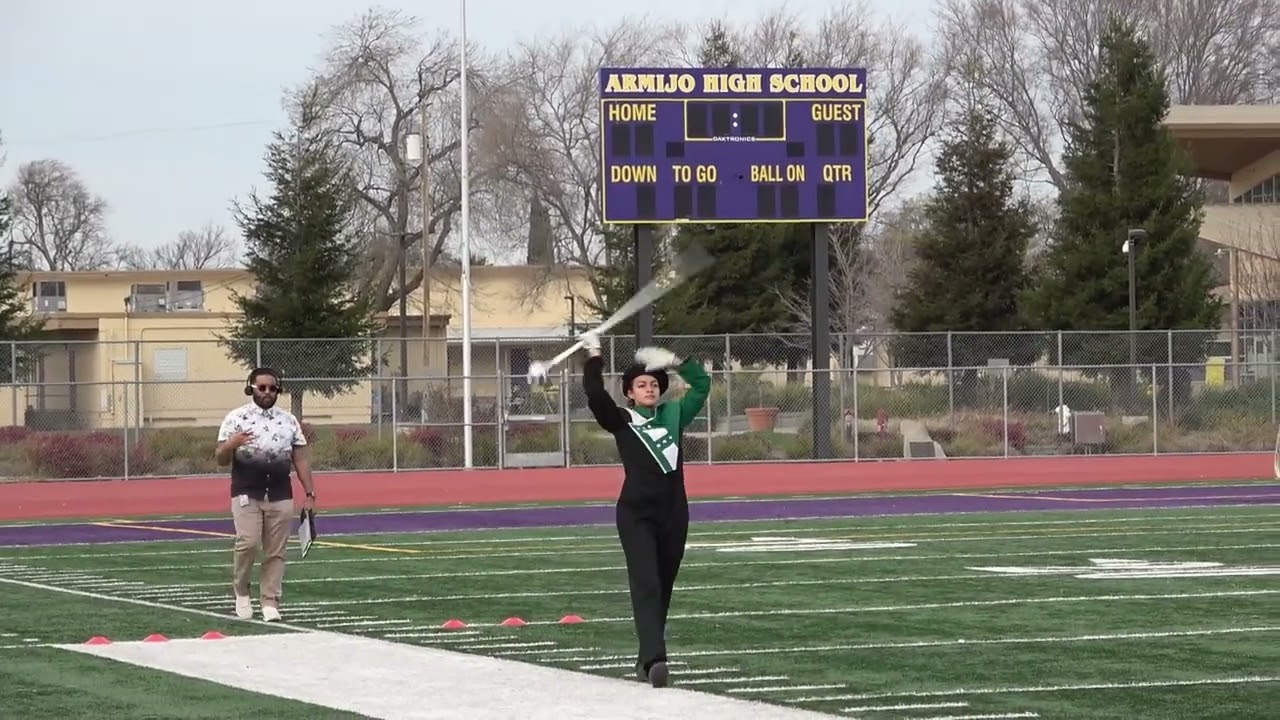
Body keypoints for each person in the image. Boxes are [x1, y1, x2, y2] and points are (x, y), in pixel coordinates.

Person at [580, 330, 711, 688]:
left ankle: (645, 658)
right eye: (641, 384)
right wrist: (594, 354)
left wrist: (677, 363)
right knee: (647, 583)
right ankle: (656, 660)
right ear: (629, 393)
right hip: (635, 514)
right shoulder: (622, 419)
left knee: (663, 586)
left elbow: (702, 386)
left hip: (674, 513)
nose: (649, 388)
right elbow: (594, 395)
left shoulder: (674, 413)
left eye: (654, 383)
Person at [214, 367, 315, 622]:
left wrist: (310, 492)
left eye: (272, 388)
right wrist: (230, 445)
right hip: (246, 491)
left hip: (281, 493)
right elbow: (220, 459)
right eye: (262, 387)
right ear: (251, 388)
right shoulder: (236, 418)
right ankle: (241, 590)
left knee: (276, 550)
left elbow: (300, 458)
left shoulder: (289, 420)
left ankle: (270, 600)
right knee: (247, 543)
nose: (268, 392)